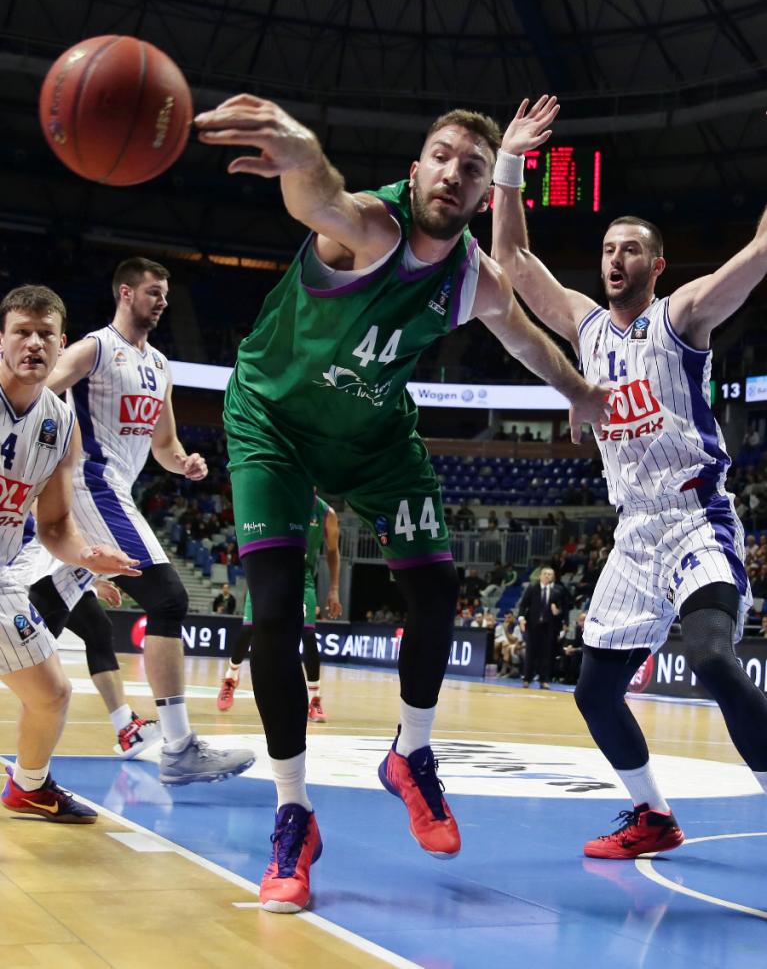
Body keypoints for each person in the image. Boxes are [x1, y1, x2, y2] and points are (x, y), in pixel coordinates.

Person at [195, 92, 609, 912]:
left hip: (377, 435)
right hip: (272, 420)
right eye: (443, 156)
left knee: (435, 585)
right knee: (276, 613)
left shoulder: (471, 277)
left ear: (486, 193)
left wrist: (577, 390)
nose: (454, 174)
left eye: (473, 168)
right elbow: (319, 196)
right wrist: (304, 148)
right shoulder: (369, 228)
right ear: (414, 167)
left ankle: (408, 755)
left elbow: (526, 335)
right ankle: (294, 815)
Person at [492, 93, 767, 858]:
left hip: (695, 518)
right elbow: (510, 261)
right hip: (632, 535)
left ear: (655, 263)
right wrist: (510, 163)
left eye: (630, 249)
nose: (615, 258)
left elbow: (756, 255)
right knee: (592, 691)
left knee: (711, 654)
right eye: (608, 247)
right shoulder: (582, 324)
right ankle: (652, 815)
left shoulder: (681, 317)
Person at [40, 258, 255, 786]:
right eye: (153, 292)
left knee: (44, 607)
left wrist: (184, 462)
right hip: (92, 484)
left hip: (116, 491)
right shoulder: (94, 346)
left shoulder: (160, 365)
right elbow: (44, 382)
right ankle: (179, 746)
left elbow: (163, 443)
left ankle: (104, 741)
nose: (162, 302)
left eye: (166, 294)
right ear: (125, 292)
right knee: (168, 599)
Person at [0, 285, 142, 824]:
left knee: (52, 694)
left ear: (62, 346)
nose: (34, 343)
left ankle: (28, 787)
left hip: (4, 571)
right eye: (22, 332)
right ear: (2, 341)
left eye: (45, 334)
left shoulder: (60, 424)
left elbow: (55, 524)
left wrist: (88, 554)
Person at [14, 519, 161, 758]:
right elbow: (55, 532)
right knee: (39, 677)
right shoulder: (47, 489)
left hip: (66, 572)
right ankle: (29, 766)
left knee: (99, 630)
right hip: (38, 577)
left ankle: (127, 728)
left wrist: (91, 580)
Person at [216, 492, 343, 721]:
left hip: (301, 577)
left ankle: (314, 700)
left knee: (308, 634)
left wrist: (333, 590)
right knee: (249, 630)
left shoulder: (326, 514)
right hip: (267, 570)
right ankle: (230, 678)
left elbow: (333, 551)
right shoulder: (279, 497)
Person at [517, 566, 568, 689]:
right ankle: (527, 679)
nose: (547, 576)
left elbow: (564, 608)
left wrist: (559, 613)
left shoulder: (558, 590)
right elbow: (523, 605)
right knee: (530, 652)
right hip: (533, 625)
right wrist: (521, 618)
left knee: (546, 654)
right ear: (540, 575)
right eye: (545, 573)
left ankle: (544, 680)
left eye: (550, 574)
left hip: (549, 626)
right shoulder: (532, 588)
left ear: (553, 577)